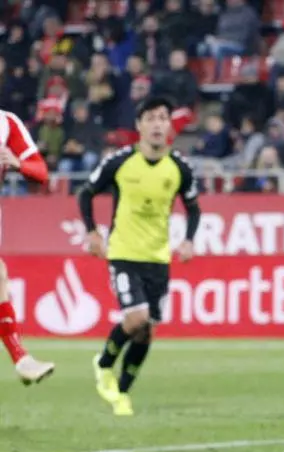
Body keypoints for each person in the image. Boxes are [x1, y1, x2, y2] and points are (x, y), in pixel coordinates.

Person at [78, 97, 201, 416]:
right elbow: (86, 192)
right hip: (124, 253)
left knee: (147, 331)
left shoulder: (179, 167)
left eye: (163, 118)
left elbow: (193, 207)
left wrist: (189, 240)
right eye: (151, 118)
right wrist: (92, 233)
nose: (158, 124)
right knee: (136, 318)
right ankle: (104, 362)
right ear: (139, 125)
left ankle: (122, 392)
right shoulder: (120, 162)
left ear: (170, 126)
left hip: (158, 258)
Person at [0, 109, 56, 385]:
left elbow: (41, 171)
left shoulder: (6, 123)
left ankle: (21, 359)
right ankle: (20, 358)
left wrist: (17, 163)